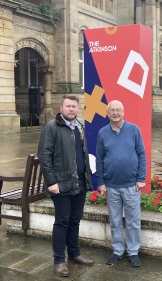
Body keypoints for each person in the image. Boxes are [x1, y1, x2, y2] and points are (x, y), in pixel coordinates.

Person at [38, 94, 94, 277]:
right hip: (60, 185)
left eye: (74, 107)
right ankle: (59, 261)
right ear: (61, 108)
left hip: (79, 183)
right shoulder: (51, 128)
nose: (72, 109)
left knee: (75, 221)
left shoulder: (80, 127)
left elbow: (83, 155)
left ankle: (75, 254)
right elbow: (45, 157)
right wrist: (51, 182)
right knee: (62, 222)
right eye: (68, 106)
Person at [96, 100, 146, 267]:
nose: (115, 113)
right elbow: (100, 159)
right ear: (107, 113)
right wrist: (101, 182)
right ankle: (118, 250)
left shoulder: (134, 130)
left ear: (123, 112)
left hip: (132, 185)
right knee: (115, 221)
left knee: (133, 221)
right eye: (112, 110)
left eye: (118, 110)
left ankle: (133, 252)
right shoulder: (102, 133)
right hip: (111, 186)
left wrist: (141, 178)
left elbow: (141, 154)